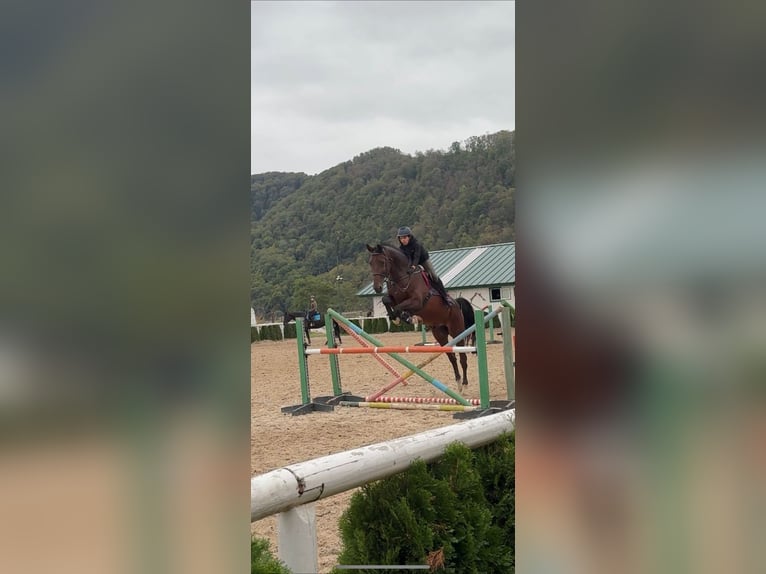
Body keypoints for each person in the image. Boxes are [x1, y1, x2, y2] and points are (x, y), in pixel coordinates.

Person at [396, 226, 450, 304]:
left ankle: (445, 295)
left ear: (409, 237)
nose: (403, 240)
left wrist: (414, 265)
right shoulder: (401, 248)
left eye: (405, 237)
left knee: (433, 275)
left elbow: (417, 256)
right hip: (412, 261)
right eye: (401, 238)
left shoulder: (416, 244)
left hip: (423, 260)